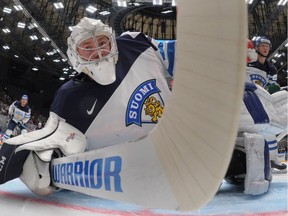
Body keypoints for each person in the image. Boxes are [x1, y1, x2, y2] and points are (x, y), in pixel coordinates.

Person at [0, 17, 175, 195]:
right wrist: (53, 168)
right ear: (75, 55)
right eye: (88, 48)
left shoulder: (135, 43)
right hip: (137, 176)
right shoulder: (68, 98)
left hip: (181, 147)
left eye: (101, 42)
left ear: (112, 43)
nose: (98, 52)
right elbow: (62, 150)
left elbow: (182, 54)